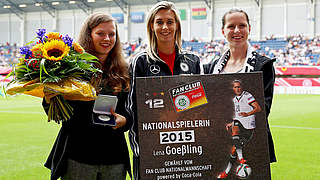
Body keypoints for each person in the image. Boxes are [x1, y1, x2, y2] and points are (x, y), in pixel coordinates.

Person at [43, 12, 131, 180]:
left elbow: (131, 112)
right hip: (78, 156)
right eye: (100, 33)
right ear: (89, 34)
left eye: (111, 34)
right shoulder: (69, 67)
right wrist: (50, 98)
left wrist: (125, 121)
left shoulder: (123, 70)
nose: (107, 38)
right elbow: (54, 111)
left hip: (114, 157)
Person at [125, 1, 203, 179]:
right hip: (151, 152)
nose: (165, 27)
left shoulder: (193, 61)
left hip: (186, 150)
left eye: (170, 21)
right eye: (159, 22)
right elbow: (132, 109)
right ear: (151, 26)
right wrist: (139, 150)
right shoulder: (141, 62)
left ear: (177, 25)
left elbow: (199, 111)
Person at [207, 9, 277, 165]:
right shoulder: (211, 67)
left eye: (242, 26)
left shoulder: (263, 65)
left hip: (252, 141)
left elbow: (263, 108)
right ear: (223, 31)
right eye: (231, 26)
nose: (237, 31)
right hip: (219, 140)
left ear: (249, 29)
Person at [217, 80, 261, 178]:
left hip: (249, 127)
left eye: (239, 87)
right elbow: (237, 116)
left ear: (242, 87)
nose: (237, 89)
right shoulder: (234, 99)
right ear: (233, 89)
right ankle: (239, 161)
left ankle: (227, 171)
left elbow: (258, 108)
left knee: (233, 150)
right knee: (235, 128)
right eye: (235, 87)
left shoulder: (247, 96)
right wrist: (231, 123)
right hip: (239, 123)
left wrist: (247, 114)